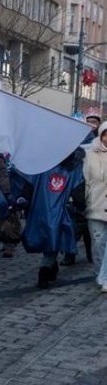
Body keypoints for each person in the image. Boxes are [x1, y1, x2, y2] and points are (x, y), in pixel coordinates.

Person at [14, 147, 86, 288]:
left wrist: (23, 200)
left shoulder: (43, 165)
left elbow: (29, 184)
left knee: (51, 239)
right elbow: (78, 192)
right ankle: (45, 271)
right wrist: (80, 206)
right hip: (61, 211)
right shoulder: (73, 169)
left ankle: (50, 268)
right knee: (54, 240)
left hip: (40, 209)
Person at [85, 121, 107, 292]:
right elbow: (85, 180)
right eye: (105, 134)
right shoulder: (90, 153)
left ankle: (104, 277)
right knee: (98, 243)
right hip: (95, 205)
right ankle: (100, 272)